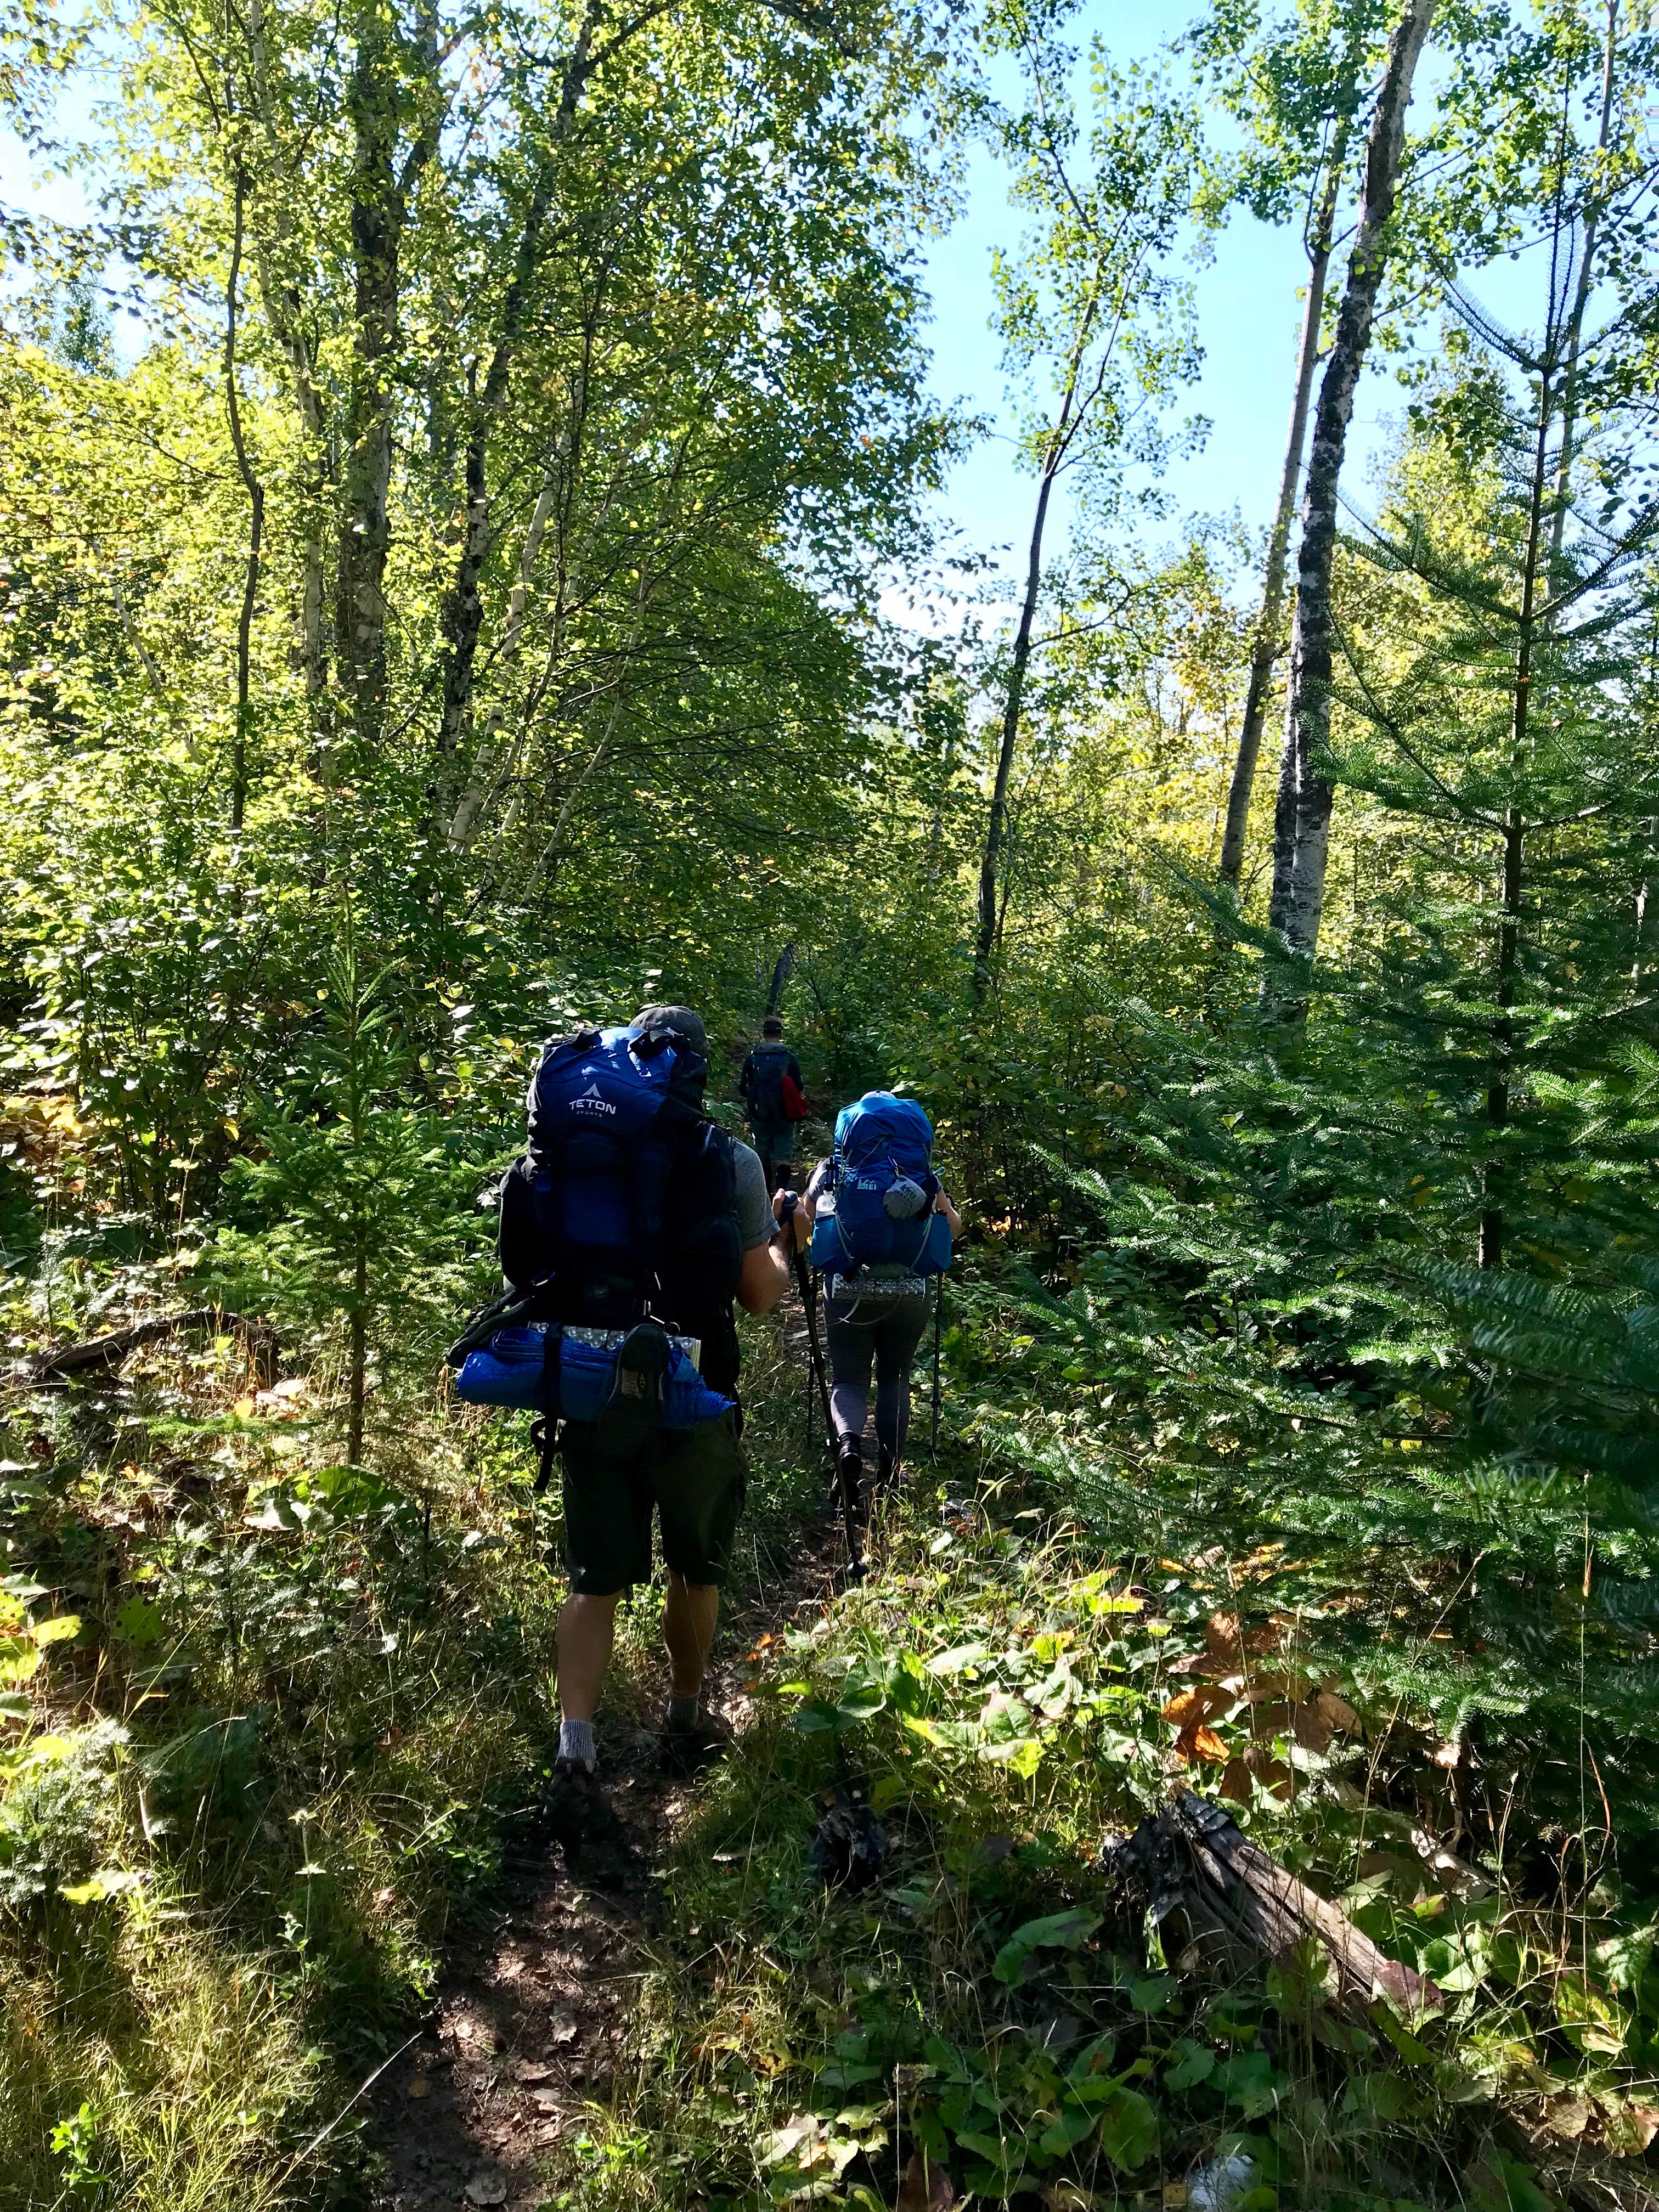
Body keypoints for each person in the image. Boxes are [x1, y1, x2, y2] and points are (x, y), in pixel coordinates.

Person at [498, 1004, 809, 1843]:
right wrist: (791, 1240)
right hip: (691, 1387)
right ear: (701, 1072)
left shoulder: (564, 1149)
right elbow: (759, 1293)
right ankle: (684, 1715)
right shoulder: (729, 1159)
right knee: (694, 1567)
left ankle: (575, 1754)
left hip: (587, 1384)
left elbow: (524, 1263)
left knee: (593, 1581)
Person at [788, 1137, 962, 1500]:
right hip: (910, 1294)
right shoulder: (921, 1175)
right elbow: (953, 1227)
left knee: (849, 1379)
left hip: (846, 1291)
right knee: (895, 1379)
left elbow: (803, 1228)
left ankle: (849, 1447)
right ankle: (890, 1475)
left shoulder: (831, 1170)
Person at [738, 1015, 804, 1193]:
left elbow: (743, 1089)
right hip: (785, 1116)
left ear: (764, 1034)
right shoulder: (789, 1059)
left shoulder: (752, 1059)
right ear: (780, 1034)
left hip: (760, 1115)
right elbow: (798, 1088)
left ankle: (766, 1194)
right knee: (784, 1157)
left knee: (762, 1156)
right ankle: (782, 1194)